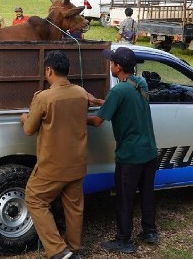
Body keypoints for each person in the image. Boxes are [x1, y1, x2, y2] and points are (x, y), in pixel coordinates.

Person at [87, 47, 159, 254]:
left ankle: (123, 240)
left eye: (112, 64)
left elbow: (98, 121)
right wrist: (97, 101)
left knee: (125, 198)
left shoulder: (118, 91)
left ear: (118, 67)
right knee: (147, 194)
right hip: (149, 152)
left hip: (130, 156)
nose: (110, 66)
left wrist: (72, 117)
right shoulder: (140, 83)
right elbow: (122, 102)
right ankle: (149, 231)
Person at [21, 50, 89, 259]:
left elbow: (29, 129)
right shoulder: (81, 93)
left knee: (34, 199)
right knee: (74, 206)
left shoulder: (44, 97)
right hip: (77, 163)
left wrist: (25, 117)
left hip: (52, 165)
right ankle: (74, 247)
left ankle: (58, 251)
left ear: (49, 70)